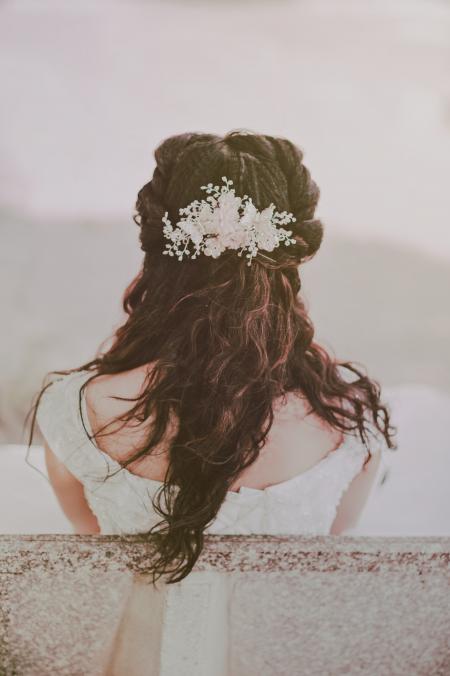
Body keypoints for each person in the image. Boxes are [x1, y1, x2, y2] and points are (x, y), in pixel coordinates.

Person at [29, 130, 397, 588]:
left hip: (141, 658)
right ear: (290, 256)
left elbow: (92, 542)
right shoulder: (348, 418)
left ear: (158, 250)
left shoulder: (77, 411)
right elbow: (328, 552)